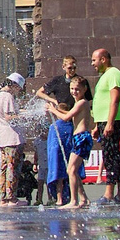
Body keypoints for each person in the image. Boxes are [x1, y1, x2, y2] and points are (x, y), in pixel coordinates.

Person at [40, 55, 89, 208]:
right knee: (72, 169)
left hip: (81, 137)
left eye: (76, 90)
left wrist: (53, 110)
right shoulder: (78, 101)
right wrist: (54, 103)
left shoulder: (81, 103)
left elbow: (67, 117)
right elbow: (40, 92)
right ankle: (83, 199)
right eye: (72, 89)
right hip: (78, 136)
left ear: (84, 90)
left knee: (71, 169)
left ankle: (74, 201)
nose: (74, 92)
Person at [89, 47, 120, 207]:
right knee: (114, 156)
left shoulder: (114, 73)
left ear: (103, 59)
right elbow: (101, 101)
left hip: (112, 121)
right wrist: (97, 125)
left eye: (94, 60)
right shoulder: (104, 76)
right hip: (103, 121)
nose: (92, 63)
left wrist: (109, 123)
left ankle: (109, 193)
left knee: (110, 156)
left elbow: (114, 100)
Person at [0, 73, 28, 203]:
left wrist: (23, 112)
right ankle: (12, 198)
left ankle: (3, 199)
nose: (19, 91)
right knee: (12, 168)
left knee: (4, 168)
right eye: (19, 88)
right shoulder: (7, 96)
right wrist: (26, 117)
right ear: (14, 85)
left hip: (3, 138)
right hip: (12, 138)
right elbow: (9, 117)